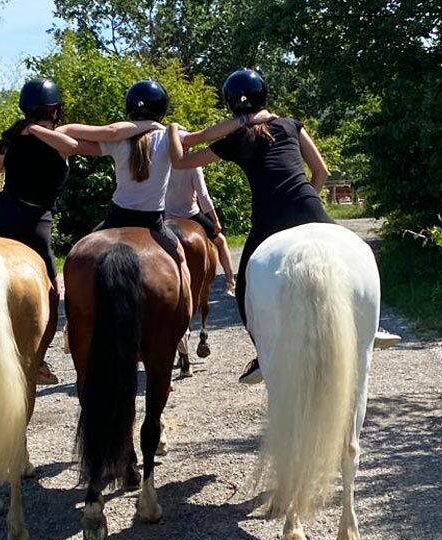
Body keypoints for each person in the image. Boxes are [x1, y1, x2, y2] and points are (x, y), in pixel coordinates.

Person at [0, 78, 158, 384]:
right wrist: (151, 126)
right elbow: (107, 135)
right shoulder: (61, 138)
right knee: (52, 291)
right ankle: (37, 360)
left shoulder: (9, 141)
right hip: (36, 222)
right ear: (55, 110)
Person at [169, 68, 400, 384]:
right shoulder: (290, 125)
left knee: (245, 288)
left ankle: (263, 357)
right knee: (356, 257)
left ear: (231, 106)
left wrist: (173, 133)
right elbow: (321, 171)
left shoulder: (237, 138)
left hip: (269, 218)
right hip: (308, 205)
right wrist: (306, 198)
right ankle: (372, 329)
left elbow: (180, 161)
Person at [60, 80, 277, 294]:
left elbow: (75, 143)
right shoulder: (167, 136)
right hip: (152, 221)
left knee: (80, 253)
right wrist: (245, 119)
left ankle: (72, 322)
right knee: (181, 260)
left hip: (117, 217)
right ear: (161, 111)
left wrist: (63, 129)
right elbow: (203, 135)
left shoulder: (117, 141)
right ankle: (184, 310)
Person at [165, 162, 236, 295]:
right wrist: (215, 220)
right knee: (221, 241)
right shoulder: (193, 165)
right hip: (191, 215)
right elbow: (203, 196)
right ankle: (230, 281)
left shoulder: (163, 162)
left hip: (167, 218)